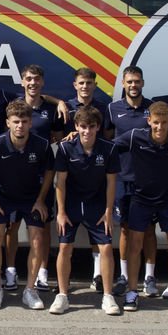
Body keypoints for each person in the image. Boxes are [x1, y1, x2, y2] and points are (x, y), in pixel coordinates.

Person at [114, 101, 168, 313]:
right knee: (134, 246)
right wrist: (74, 138)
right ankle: (132, 292)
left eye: (164, 122)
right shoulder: (135, 136)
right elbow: (109, 147)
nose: (159, 127)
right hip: (141, 200)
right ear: (148, 121)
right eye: (156, 122)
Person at [0, 99, 54, 311]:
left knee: (38, 239)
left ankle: (30, 290)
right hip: (2, 197)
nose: (20, 125)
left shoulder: (41, 145)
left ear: (31, 123)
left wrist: (41, 200)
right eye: (16, 121)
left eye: (24, 121)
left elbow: (50, 172)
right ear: (8, 122)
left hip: (31, 198)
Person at [51, 106, 121, 315]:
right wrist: (61, 213)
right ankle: (63, 295)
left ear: (98, 127)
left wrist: (109, 211)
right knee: (65, 248)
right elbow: (60, 183)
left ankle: (108, 297)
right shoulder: (65, 148)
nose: (87, 131)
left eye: (91, 127)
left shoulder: (109, 149)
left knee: (106, 248)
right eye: (83, 127)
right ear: (76, 127)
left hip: (97, 204)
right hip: (71, 205)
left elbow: (111, 183)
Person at [107, 66, 156, 297]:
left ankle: (149, 277)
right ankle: (125, 276)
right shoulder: (113, 109)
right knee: (125, 228)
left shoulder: (152, 109)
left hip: (147, 178)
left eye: (137, 81)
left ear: (143, 83)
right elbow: (108, 141)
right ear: (123, 84)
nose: (133, 85)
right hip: (122, 177)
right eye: (129, 82)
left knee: (148, 229)